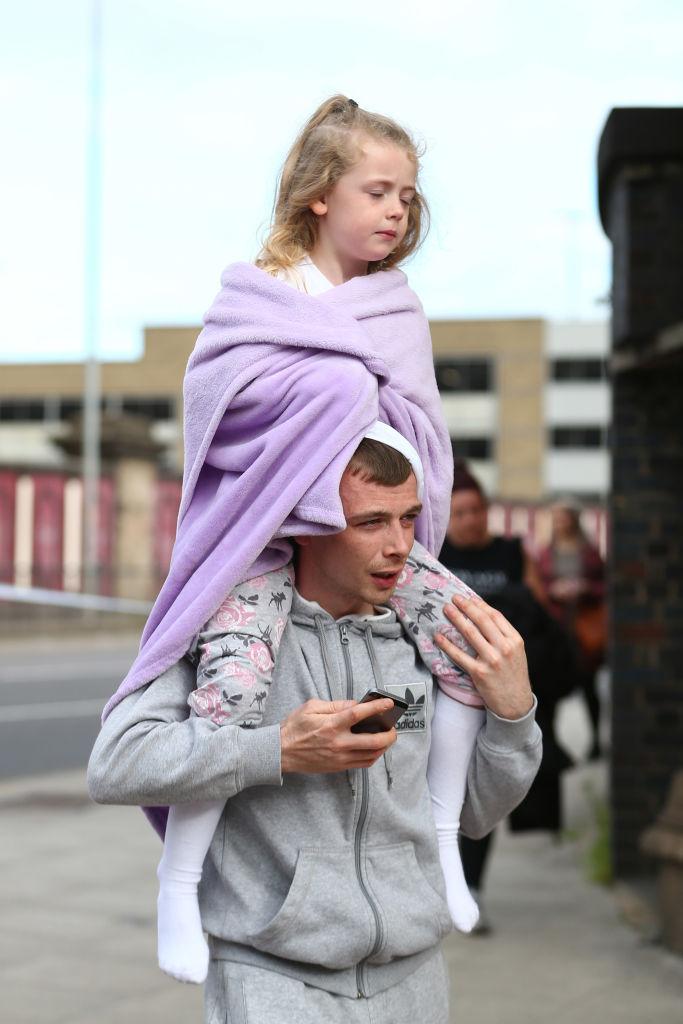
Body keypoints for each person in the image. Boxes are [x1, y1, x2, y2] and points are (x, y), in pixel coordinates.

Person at [97, 94, 499, 984]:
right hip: (267, 542)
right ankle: (181, 878)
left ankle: (441, 846)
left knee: (469, 644)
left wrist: (357, 415)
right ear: (321, 193)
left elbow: (419, 439)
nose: (396, 211)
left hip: (361, 535)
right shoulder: (259, 298)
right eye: (377, 190)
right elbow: (223, 420)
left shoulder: (395, 307)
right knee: (227, 697)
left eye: (407, 197)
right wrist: (335, 402)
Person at [88, 437, 541, 1023]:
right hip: (273, 979)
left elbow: (477, 814)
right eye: (370, 522)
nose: (400, 546)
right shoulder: (230, 638)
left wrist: (513, 714)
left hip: (416, 977)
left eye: (408, 518)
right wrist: (277, 749)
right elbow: (116, 764)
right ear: (306, 522)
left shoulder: (422, 642)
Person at [437, 461, 545, 932]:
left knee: (483, 789)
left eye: (477, 510)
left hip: (496, 688)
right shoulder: (433, 555)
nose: (470, 520)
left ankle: (472, 883)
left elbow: (538, 610)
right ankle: (444, 876)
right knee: (443, 786)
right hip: (447, 688)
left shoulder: (511, 553)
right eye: (460, 512)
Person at [536, 499, 607, 761]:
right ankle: (552, 742)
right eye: (556, 519)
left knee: (588, 685)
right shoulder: (545, 552)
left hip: (584, 627)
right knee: (552, 683)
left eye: (564, 518)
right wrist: (554, 591)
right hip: (556, 626)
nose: (560, 523)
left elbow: (605, 584)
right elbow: (538, 587)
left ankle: (596, 741)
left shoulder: (589, 551)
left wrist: (585, 588)